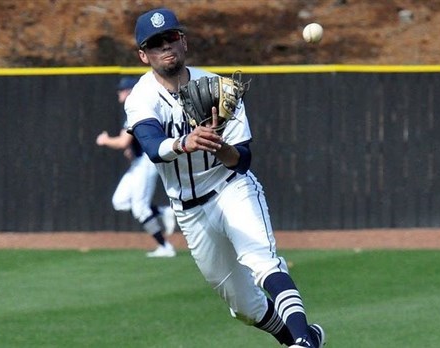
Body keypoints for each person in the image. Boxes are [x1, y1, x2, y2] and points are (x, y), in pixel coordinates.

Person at [124, 8, 326, 347]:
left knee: (263, 261)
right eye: (155, 43)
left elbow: (242, 159)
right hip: (188, 210)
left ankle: (302, 342)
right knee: (245, 306)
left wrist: (220, 146)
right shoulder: (141, 97)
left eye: (171, 37)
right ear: (144, 55)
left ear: (183, 41)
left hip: (230, 188)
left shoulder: (219, 87)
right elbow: (151, 146)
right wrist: (185, 141)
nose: (166, 47)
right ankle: (307, 339)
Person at [96, 76, 177, 258]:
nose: (120, 92)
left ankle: (165, 247)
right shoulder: (131, 110)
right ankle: (163, 211)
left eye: (123, 90)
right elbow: (130, 142)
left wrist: (105, 140)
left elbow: (123, 142)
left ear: (131, 91)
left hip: (146, 163)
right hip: (138, 163)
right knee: (120, 201)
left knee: (140, 208)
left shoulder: (137, 109)